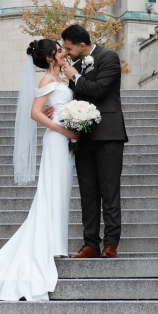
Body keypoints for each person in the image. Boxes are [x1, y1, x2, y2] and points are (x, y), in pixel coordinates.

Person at [0, 38, 79, 301]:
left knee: (60, 191)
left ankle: (57, 244)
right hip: (57, 140)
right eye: (60, 50)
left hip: (65, 141)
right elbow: (35, 113)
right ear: (51, 56)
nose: (64, 53)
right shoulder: (45, 81)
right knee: (52, 190)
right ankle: (51, 244)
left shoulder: (58, 81)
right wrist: (63, 129)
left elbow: (52, 107)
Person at [61, 23, 128, 258]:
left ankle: (111, 244)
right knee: (87, 192)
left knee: (109, 191)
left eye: (69, 49)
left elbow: (99, 90)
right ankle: (90, 243)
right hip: (84, 136)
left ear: (82, 45)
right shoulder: (76, 67)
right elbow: (73, 97)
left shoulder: (109, 57)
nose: (67, 54)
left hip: (109, 134)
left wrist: (76, 77)